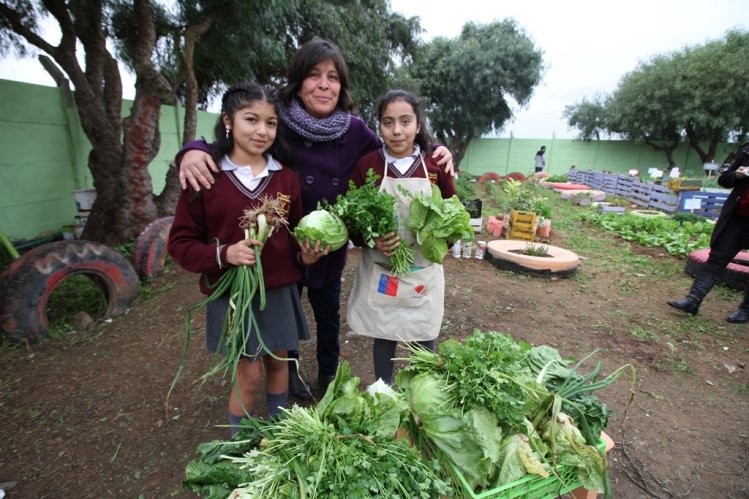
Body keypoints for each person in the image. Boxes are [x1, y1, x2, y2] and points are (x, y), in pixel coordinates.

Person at [175, 38, 454, 399]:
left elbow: (398, 145)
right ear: (298, 81)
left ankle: (328, 376)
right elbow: (234, 142)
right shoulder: (278, 122)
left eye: (333, 77)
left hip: (328, 247)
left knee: (327, 316)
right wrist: (191, 150)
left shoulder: (354, 130)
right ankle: (287, 377)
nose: (324, 85)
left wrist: (436, 150)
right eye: (313, 75)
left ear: (342, 85)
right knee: (285, 316)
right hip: (280, 246)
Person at [167, 82, 328, 436]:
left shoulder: (285, 178)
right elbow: (180, 243)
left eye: (270, 123)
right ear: (228, 121)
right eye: (251, 119)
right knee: (249, 372)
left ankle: (281, 431)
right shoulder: (206, 176)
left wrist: (307, 255)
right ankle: (235, 443)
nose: (261, 131)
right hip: (234, 295)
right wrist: (224, 254)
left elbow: (294, 236)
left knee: (279, 363)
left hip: (279, 291)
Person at [346, 89, 457, 384]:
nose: (397, 131)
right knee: (385, 329)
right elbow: (352, 219)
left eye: (405, 121)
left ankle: (425, 391)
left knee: (424, 329)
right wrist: (370, 240)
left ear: (418, 125)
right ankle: (384, 389)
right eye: (388, 122)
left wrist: (438, 239)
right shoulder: (367, 166)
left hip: (422, 268)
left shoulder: (435, 167)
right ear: (379, 126)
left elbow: (453, 216)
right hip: (384, 268)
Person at [667, 142, 749, 323]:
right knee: (717, 257)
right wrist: (736, 175)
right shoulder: (747, 149)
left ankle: (746, 309)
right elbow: (724, 179)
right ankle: (693, 301)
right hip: (737, 216)